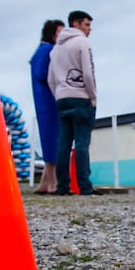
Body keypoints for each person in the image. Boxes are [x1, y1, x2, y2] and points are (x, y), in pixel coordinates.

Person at [48, 10, 97, 196]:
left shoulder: (56, 49)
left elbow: (50, 79)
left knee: (64, 143)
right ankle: (84, 186)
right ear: (75, 24)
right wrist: (92, 96)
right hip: (81, 96)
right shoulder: (83, 43)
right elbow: (88, 72)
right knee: (82, 142)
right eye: (87, 25)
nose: (89, 29)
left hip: (62, 97)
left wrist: (59, 94)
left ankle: (62, 186)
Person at [29, 19, 64, 194]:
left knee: (49, 138)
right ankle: (53, 182)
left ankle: (44, 182)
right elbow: (44, 74)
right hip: (49, 100)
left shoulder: (39, 51)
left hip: (42, 100)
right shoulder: (48, 51)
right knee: (53, 140)